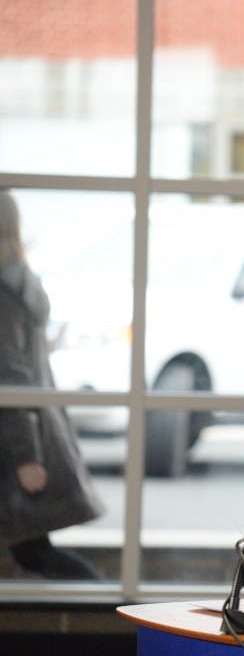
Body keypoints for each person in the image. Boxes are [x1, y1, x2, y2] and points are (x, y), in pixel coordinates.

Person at [0, 189, 104, 580]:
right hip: (27, 431)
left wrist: (25, 456)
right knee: (31, 550)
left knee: (32, 551)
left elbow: (11, 376)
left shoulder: (4, 293)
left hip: (14, 440)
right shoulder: (19, 279)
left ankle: (105, 603)